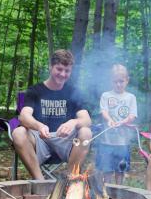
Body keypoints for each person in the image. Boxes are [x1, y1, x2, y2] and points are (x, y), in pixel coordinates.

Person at [11, 49, 92, 179]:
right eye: (59, 69)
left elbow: (87, 119)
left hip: (66, 141)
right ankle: (40, 182)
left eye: (67, 71)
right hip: (40, 139)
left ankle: (70, 180)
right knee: (18, 133)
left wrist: (73, 122)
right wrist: (38, 126)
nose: (62, 74)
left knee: (86, 132)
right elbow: (24, 116)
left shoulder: (73, 92)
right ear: (50, 67)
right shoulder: (35, 90)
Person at [96, 64, 138, 184]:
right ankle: (107, 192)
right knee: (107, 169)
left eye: (121, 81)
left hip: (123, 141)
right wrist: (109, 119)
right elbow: (103, 111)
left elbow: (132, 115)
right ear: (111, 81)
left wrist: (122, 122)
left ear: (127, 81)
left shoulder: (131, 97)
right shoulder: (106, 95)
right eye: (115, 82)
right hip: (106, 141)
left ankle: (118, 192)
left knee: (120, 169)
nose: (118, 84)